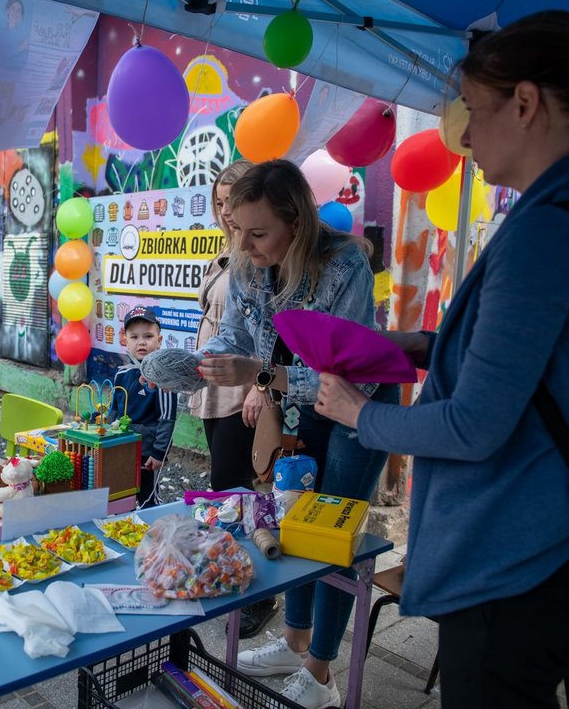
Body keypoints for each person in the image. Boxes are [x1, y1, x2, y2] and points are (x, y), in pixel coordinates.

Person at [314, 11, 569, 709]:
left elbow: (473, 425)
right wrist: (426, 345)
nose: (462, 136)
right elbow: (538, 366)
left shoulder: (548, 232)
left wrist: (358, 413)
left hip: (517, 554)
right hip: (549, 543)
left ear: (525, 103)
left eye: (472, 109)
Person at [197, 160, 398, 709]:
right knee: (294, 519)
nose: (244, 245)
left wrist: (259, 375)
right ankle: (294, 642)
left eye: (258, 233)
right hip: (299, 402)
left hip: (358, 406)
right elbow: (234, 337)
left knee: (329, 531)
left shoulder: (345, 264)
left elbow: (345, 376)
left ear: (296, 222)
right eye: (237, 229)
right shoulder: (248, 261)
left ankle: (321, 672)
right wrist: (197, 362)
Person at [191, 159, 278, 638]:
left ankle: (257, 594)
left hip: (246, 389)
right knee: (223, 486)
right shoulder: (228, 253)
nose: (226, 211)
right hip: (216, 384)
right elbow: (223, 327)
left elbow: (268, 336)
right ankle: (233, 576)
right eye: (220, 202)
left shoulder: (262, 258)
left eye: (233, 201)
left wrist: (259, 388)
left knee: (238, 489)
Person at [109, 305, 178, 508]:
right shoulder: (121, 374)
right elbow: (114, 410)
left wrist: (159, 453)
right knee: (121, 494)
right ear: (125, 340)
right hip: (121, 447)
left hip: (148, 451)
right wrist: (104, 431)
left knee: (148, 496)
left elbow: (167, 418)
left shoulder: (163, 377)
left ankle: (154, 525)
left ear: (159, 340)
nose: (141, 342)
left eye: (148, 336)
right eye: (134, 337)